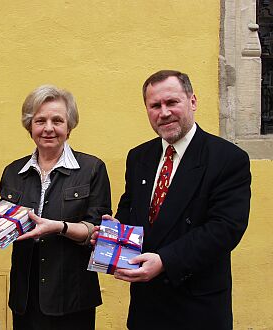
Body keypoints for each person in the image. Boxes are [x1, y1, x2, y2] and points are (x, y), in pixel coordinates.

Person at [100, 70, 251, 330]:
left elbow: (225, 229)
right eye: (155, 105)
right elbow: (130, 209)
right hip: (146, 308)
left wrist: (165, 261)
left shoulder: (227, 158)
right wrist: (113, 233)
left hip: (197, 308)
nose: (164, 112)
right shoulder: (138, 157)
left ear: (192, 101)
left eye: (172, 102)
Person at [0, 85, 111, 330]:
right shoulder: (12, 172)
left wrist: (59, 227)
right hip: (25, 297)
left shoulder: (92, 169)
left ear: (69, 127)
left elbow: (98, 232)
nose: (48, 128)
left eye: (57, 120)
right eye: (40, 120)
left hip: (73, 294)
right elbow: (4, 226)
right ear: (30, 126)